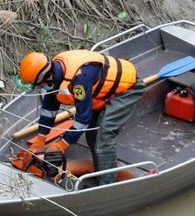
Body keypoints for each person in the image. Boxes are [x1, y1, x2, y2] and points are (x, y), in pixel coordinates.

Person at [16, 49, 143, 185]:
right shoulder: (55, 73)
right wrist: (40, 139)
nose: (40, 88)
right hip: (101, 94)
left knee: (104, 134)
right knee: (92, 136)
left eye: (39, 85)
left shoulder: (80, 79)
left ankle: (107, 184)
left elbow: (83, 119)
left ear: (45, 78)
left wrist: (61, 145)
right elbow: (49, 109)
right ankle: (102, 170)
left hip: (127, 90)